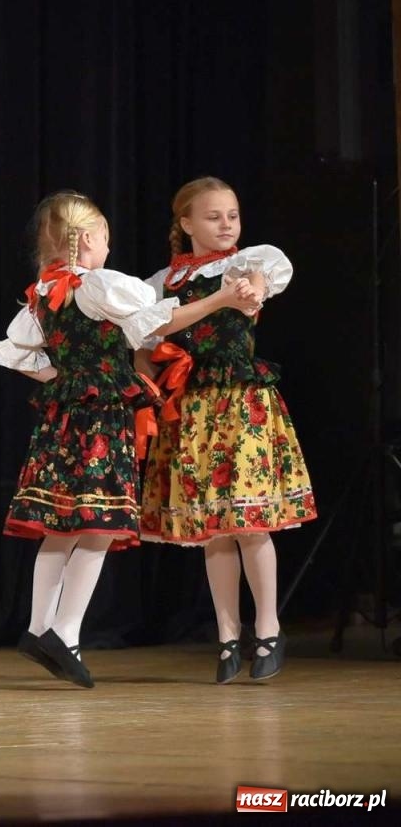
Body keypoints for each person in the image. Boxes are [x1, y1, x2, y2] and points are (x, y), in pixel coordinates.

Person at [137, 176, 313, 682]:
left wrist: (249, 292)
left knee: (250, 522)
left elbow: (253, 294)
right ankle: (228, 636)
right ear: (186, 223)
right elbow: (149, 335)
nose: (226, 224)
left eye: (232, 215)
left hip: (239, 403)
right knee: (213, 531)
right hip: (192, 410)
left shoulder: (248, 264)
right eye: (213, 217)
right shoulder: (161, 282)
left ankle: (269, 628)